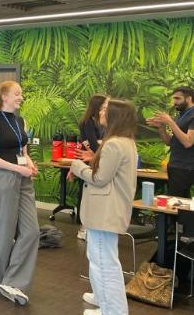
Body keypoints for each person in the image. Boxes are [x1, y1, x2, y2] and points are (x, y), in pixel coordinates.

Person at [70, 99, 137, 315]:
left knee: (104, 265)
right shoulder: (124, 142)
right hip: (108, 211)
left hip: (105, 212)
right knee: (102, 260)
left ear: (115, 116)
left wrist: (77, 165)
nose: (101, 112)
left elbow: (99, 179)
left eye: (106, 110)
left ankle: (112, 310)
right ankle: (106, 303)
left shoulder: (114, 144)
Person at [0, 81, 39, 306]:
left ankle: (12, 279)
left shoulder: (20, 121)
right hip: (4, 177)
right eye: (17, 94)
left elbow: (23, 151)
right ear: (4, 96)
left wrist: (30, 165)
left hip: (23, 179)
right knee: (5, 233)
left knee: (32, 231)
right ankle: (1, 280)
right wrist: (18, 168)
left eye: (21, 94)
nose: (20, 97)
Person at [147, 86, 194, 198]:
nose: (174, 102)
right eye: (174, 99)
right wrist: (161, 127)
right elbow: (170, 142)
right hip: (175, 166)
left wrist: (170, 121)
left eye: (178, 98)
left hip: (185, 167)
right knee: (179, 202)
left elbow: (188, 142)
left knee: (175, 203)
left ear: (189, 99)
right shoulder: (181, 115)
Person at [75, 94, 108, 240]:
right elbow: (94, 145)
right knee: (87, 196)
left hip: (97, 160)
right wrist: (101, 144)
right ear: (99, 106)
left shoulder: (101, 123)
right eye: (105, 106)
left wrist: (102, 143)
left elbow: (104, 143)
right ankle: (83, 227)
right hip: (88, 161)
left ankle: (90, 227)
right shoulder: (87, 122)